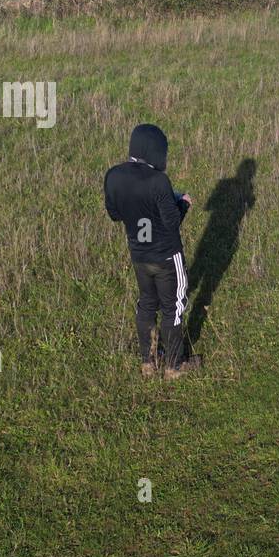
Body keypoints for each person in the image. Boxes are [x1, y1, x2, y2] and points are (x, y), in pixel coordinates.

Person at [104, 124, 199, 378]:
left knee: (147, 302)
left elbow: (115, 214)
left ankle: (148, 362)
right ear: (154, 150)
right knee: (173, 306)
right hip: (167, 256)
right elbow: (171, 222)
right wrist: (183, 204)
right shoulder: (158, 181)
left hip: (139, 255)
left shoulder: (113, 175)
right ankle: (174, 366)